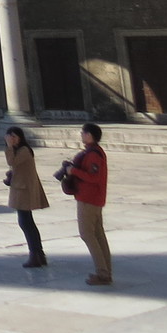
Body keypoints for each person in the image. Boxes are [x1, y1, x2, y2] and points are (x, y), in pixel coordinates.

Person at [63, 122, 111, 286]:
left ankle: (103, 273)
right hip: (92, 199)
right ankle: (105, 271)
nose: (82, 135)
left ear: (90, 135)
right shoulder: (94, 152)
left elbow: (93, 177)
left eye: (83, 133)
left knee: (87, 235)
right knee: (98, 235)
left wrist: (73, 171)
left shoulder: (93, 155)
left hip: (88, 199)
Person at [3, 126, 49, 268]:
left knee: (26, 223)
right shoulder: (19, 151)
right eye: (10, 137)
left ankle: (35, 254)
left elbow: (11, 162)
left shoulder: (24, 150)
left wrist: (9, 146)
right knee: (27, 222)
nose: (12, 139)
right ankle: (38, 254)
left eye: (14, 137)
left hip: (24, 190)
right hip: (20, 188)